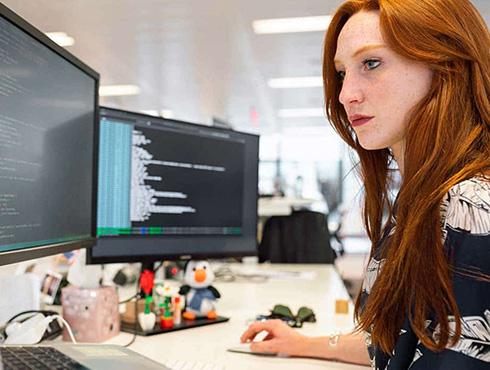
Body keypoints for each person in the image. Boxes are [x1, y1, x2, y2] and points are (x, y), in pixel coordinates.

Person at [240, 0, 490, 368]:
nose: (345, 94)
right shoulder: (423, 200)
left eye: (371, 63)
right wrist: (304, 342)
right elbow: (403, 345)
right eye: (342, 73)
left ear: (446, 65)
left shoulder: (469, 208)